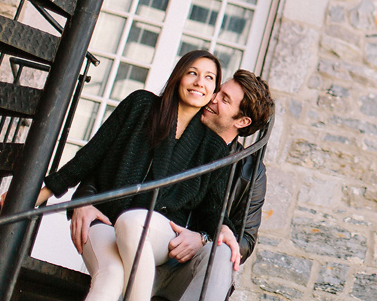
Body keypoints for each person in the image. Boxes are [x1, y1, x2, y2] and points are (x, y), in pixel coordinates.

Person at [34, 50, 238, 301]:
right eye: (192, 73)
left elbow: (212, 211)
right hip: (104, 220)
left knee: (132, 223)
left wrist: (224, 229)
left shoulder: (214, 149)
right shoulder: (141, 106)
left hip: (158, 232)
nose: (199, 82)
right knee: (110, 276)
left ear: (214, 90)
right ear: (178, 77)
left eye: (209, 78)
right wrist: (35, 196)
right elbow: (90, 155)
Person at [70, 69, 275, 301]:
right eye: (218, 90)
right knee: (124, 246)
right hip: (139, 244)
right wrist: (85, 199)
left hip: (187, 268)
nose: (213, 97)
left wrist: (203, 239)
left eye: (225, 99)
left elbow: (245, 239)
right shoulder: (176, 124)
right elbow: (110, 164)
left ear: (242, 120)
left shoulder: (250, 172)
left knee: (224, 253)